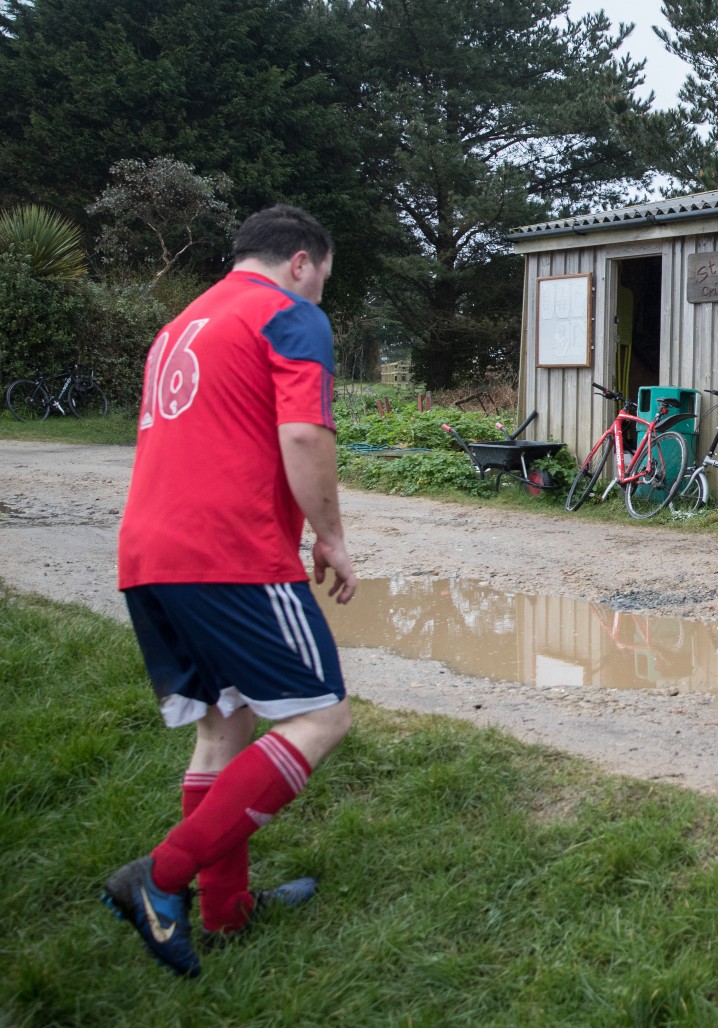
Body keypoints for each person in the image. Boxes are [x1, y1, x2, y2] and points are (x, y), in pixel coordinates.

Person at [102, 204, 358, 976]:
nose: (318, 295)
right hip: (231, 553)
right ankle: (161, 877)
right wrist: (332, 537)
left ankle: (227, 910)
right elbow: (306, 434)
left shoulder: (184, 322)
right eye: (322, 281)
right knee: (322, 717)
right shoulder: (287, 313)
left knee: (224, 721)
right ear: (303, 261)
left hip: (150, 553)